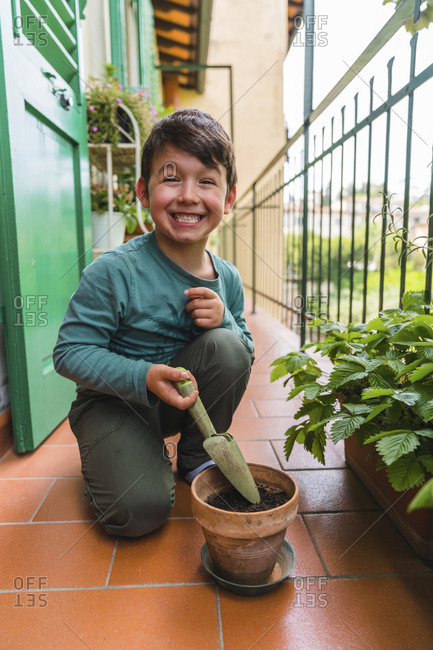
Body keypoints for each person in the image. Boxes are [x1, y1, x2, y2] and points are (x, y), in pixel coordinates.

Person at [53, 108, 254, 538]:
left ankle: (196, 456)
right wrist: (143, 376)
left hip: (178, 408)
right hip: (114, 403)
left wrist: (227, 323)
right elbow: (69, 352)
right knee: (138, 514)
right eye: (171, 177)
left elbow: (245, 352)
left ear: (229, 198)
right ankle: (118, 453)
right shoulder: (114, 271)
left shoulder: (228, 279)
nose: (187, 195)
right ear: (143, 191)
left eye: (205, 180)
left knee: (227, 345)